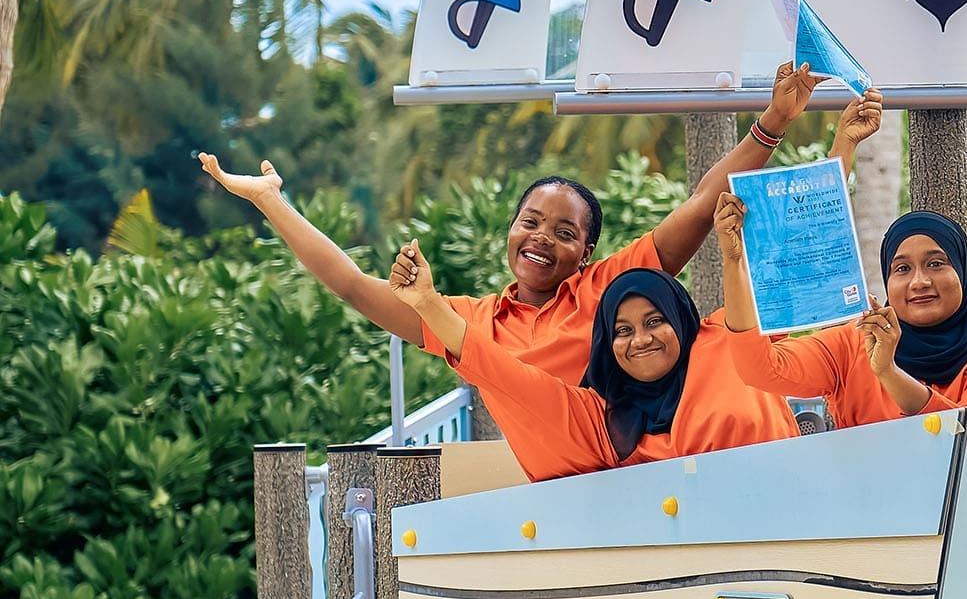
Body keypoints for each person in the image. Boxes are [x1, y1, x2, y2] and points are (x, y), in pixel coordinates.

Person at [199, 62, 882, 384]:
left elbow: (704, 202)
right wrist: (270, 201)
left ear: (587, 251)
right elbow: (351, 284)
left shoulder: (611, 290)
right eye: (530, 221)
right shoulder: (467, 323)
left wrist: (774, 121)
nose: (541, 239)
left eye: (563, 232)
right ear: (510, 229)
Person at [388, 243, 797, 482]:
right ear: (605, 343)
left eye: (655, 321)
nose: (641, 340)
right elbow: (504, 373)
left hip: (804, 531)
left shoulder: (727, 336)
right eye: (623, 330)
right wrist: (428, 303)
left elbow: (803, 275)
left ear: (679, 318)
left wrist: (832, 165)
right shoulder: (600, 421)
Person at [716, 204, 967, 426]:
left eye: (936, 264)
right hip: (863, 500)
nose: (919, 282)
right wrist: (734, 261)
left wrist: (887, 372)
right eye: (902, 268)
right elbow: (760, 370)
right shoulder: (854, 342)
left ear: (962, 271)